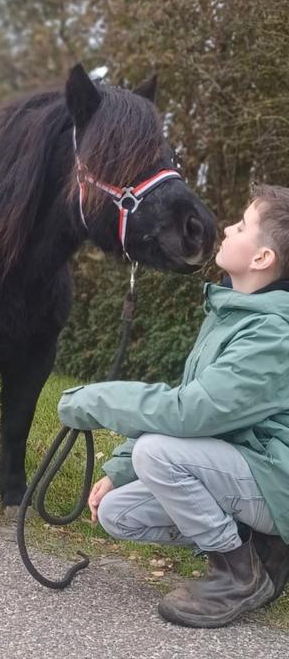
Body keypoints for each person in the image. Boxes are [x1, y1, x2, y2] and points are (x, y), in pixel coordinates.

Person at [58, 185, 289, 629]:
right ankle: (260, 548)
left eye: (241, 226)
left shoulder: (272, 335)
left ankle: (239, 573)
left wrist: (95, 399)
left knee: (158, 454)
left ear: (262, 259)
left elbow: (191, 412)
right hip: (251, 469)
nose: (226, 228)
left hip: (275, 479)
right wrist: (120, 467)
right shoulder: (235, 314)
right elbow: (190, 397)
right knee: (117, 512)